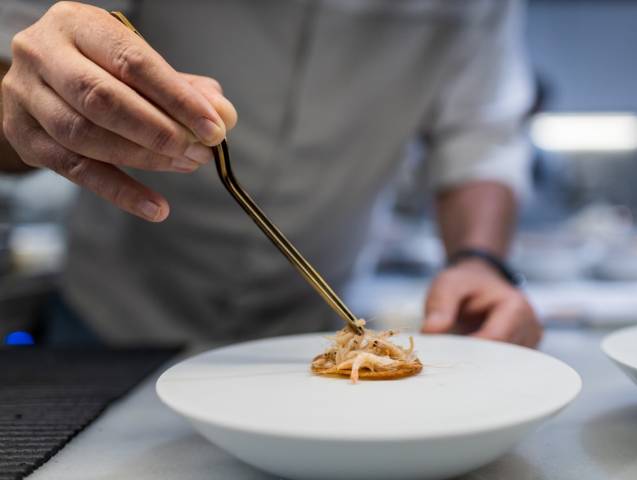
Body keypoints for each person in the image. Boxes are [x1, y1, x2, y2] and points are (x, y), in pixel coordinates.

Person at [0, 0, 541, 347]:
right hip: (114, 321)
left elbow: (480, 136)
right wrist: (23, 110)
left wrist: (478, 261)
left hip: (310, 329)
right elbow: (15, 94)